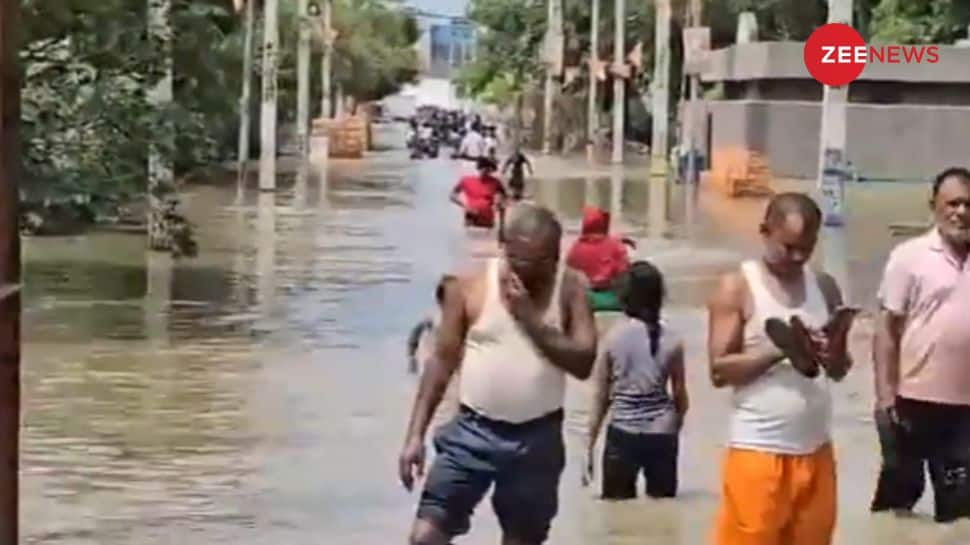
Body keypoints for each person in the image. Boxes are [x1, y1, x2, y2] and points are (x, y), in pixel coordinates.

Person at [398, 204, 597, 545]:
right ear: (504, 250)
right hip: (472, 432)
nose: (532, 274)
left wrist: (529, 318)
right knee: (425, 537)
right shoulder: (469, 285)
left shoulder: (571, 288)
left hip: (537, 440)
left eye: (542, 265)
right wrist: (415, 435)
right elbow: (441, 363)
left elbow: (583, 363)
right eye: (522, 262)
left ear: (556, 255)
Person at [707, 192, 854, 545]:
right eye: (789, 247)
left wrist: (831, 354)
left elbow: (840, 370)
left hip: (815, 448)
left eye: (807, 247)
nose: (798, 257)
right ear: (764, 232)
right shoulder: (738, 286)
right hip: (758, 450)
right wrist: (778, 351)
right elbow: (718, 371)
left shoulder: (824, 286)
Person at [870, 167, 970, 522]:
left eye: (969, 204)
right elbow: (886, 329)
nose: (961, 212)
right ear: (934, 206)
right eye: (953, 203)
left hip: (965, 412)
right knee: (897, 505)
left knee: (961, 512)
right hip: (910, 403)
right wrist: (885, 397)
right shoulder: (909, 257)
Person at [585, 260, 688, 500]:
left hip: (623, 433)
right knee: (663, 516)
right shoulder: (673, 339)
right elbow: (681, 397)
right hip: (662, 433)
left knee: (616, 514)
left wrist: (589, 445)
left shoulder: (613, 337)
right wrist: (674, 429)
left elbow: (601, 397)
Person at [566, 206, 631, 312]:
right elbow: (624, 273)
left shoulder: (575, 248)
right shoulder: (615, 245)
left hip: (584, 300)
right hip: (613, 301)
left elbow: (569, 273)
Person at [450, 157, 507, 230]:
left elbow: (504, 198)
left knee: (501, 206)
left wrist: (498, 204)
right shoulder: (466, 180)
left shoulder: (495, 182)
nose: (487, 172)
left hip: (487, 219)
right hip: (471, 218)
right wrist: (464, 205)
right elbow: (452, 196)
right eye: (485, 169)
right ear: (479, 168)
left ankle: (500, 230)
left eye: (489, 170)